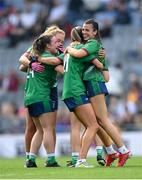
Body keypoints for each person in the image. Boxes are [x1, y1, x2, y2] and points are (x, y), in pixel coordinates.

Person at [66, 19, 131, 167]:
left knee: (102, 120)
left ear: (95, 32)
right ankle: (111, 152)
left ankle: (123, 150)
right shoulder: (94, 46)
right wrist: (99, 63)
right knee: (96, 123)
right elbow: (105, 75)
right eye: (83, 30)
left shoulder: (93, 44)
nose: (84, 32)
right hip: (91, 85)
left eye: (87, 30)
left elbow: (77, 54)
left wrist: (69, 49)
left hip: (94, 85)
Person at [19, 26, 65, 167]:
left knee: (39, 130)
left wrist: (32, 61)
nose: (59, 44)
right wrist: (66, 54)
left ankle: (30, 159)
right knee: (48, 129)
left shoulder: (35, 56)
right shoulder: (47, 57)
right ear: (47, 45)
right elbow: (60, 67)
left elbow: (22, 65)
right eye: (56, 42)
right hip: (42, 95)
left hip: (30, 97)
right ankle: (51, 159)